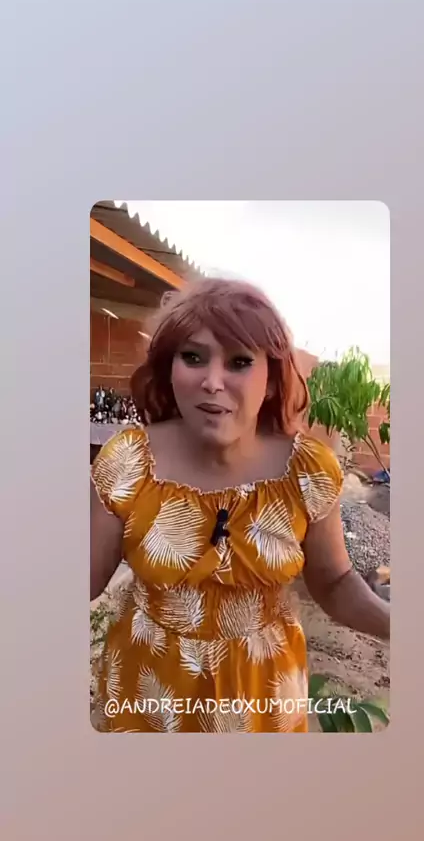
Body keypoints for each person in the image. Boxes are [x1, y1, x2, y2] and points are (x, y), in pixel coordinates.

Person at [90, 277, 390, 733]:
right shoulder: (129, 461)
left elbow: (334, 583)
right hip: (148, 693)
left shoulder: (306, 472)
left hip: (263, 697)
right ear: (170, 368)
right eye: (193, 357)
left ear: (270, 379)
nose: (212, 382)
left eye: (239, 362)